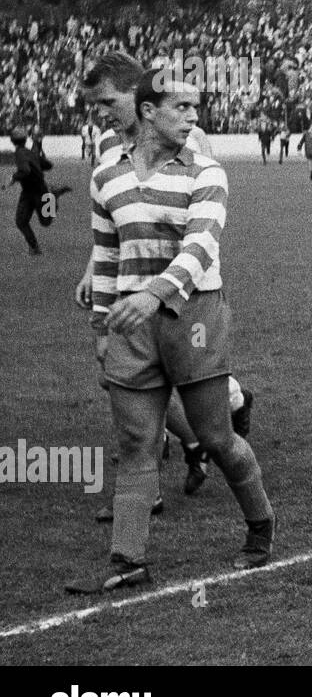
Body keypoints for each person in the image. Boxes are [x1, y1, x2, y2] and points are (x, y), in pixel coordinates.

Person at [67, 73, 275, 594]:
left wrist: (153, 294)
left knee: (215, 436)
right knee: (137, 440)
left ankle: (260, 526)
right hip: (131, 323)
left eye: (195, 107)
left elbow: (200, 245)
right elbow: (108, 254)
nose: (192, 117)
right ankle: (128, 558)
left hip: (194, 315)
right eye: (181, 107)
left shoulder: (207, 171)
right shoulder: (105, 176)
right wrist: (101, 321)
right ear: (147, 111)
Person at [80, 52, 255, 508]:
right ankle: (149, 487)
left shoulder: (189, 140)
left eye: (108, 101)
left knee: (189, 384)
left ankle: (226, 410)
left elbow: (204, 225)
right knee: (119, 380)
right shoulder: (108, 148)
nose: (102, 113)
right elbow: (114, 225)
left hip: (187, 288)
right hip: (131, 290)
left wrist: (161, 288)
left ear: (139, 97)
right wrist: (93, 272)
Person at [9, 127, 70, 255]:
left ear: (12, 141)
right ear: (26, 140)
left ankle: (53, 197)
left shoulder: (20, 153)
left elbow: (25, 170)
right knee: (42, 222)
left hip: (34, 191)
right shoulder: (30, 153)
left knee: (24, 222)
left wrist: (14, 177)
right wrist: (38, 159)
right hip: (34, 190)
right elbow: (48, 165)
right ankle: (35, 249)